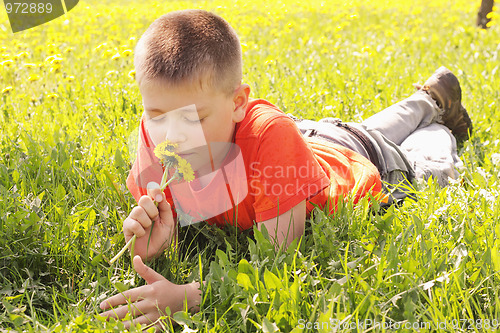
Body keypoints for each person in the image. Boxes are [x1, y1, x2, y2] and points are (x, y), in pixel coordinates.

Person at [99, 9, 472, 328]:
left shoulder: (270, 137)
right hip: (314, 138)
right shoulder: (154, 142)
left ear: (238, 102)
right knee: (359, 131)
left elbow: (277, 261)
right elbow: (172, 219)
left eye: (193, 118)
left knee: (428, 168)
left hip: (370, 166)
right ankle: (427, 97)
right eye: (156, 116)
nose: (173, 139)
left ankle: (436, 120)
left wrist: (189, 296)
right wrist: (163, 245)